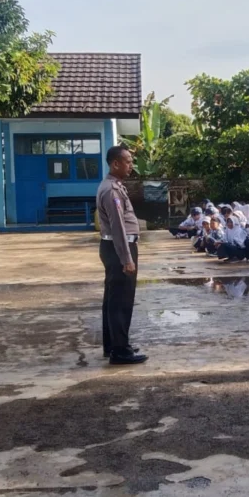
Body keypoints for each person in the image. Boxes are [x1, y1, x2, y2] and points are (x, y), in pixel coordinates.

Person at [96, 145, 147, 365]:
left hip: (114, 248)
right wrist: (127, 259)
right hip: (119, 249)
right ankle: (120, 351)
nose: (131, 165)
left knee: (113, 299)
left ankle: (114, 344)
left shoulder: (114, 185)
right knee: (121, 301)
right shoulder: (112, 190)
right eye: (127, 161)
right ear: (115, 163)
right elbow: (118, 227)